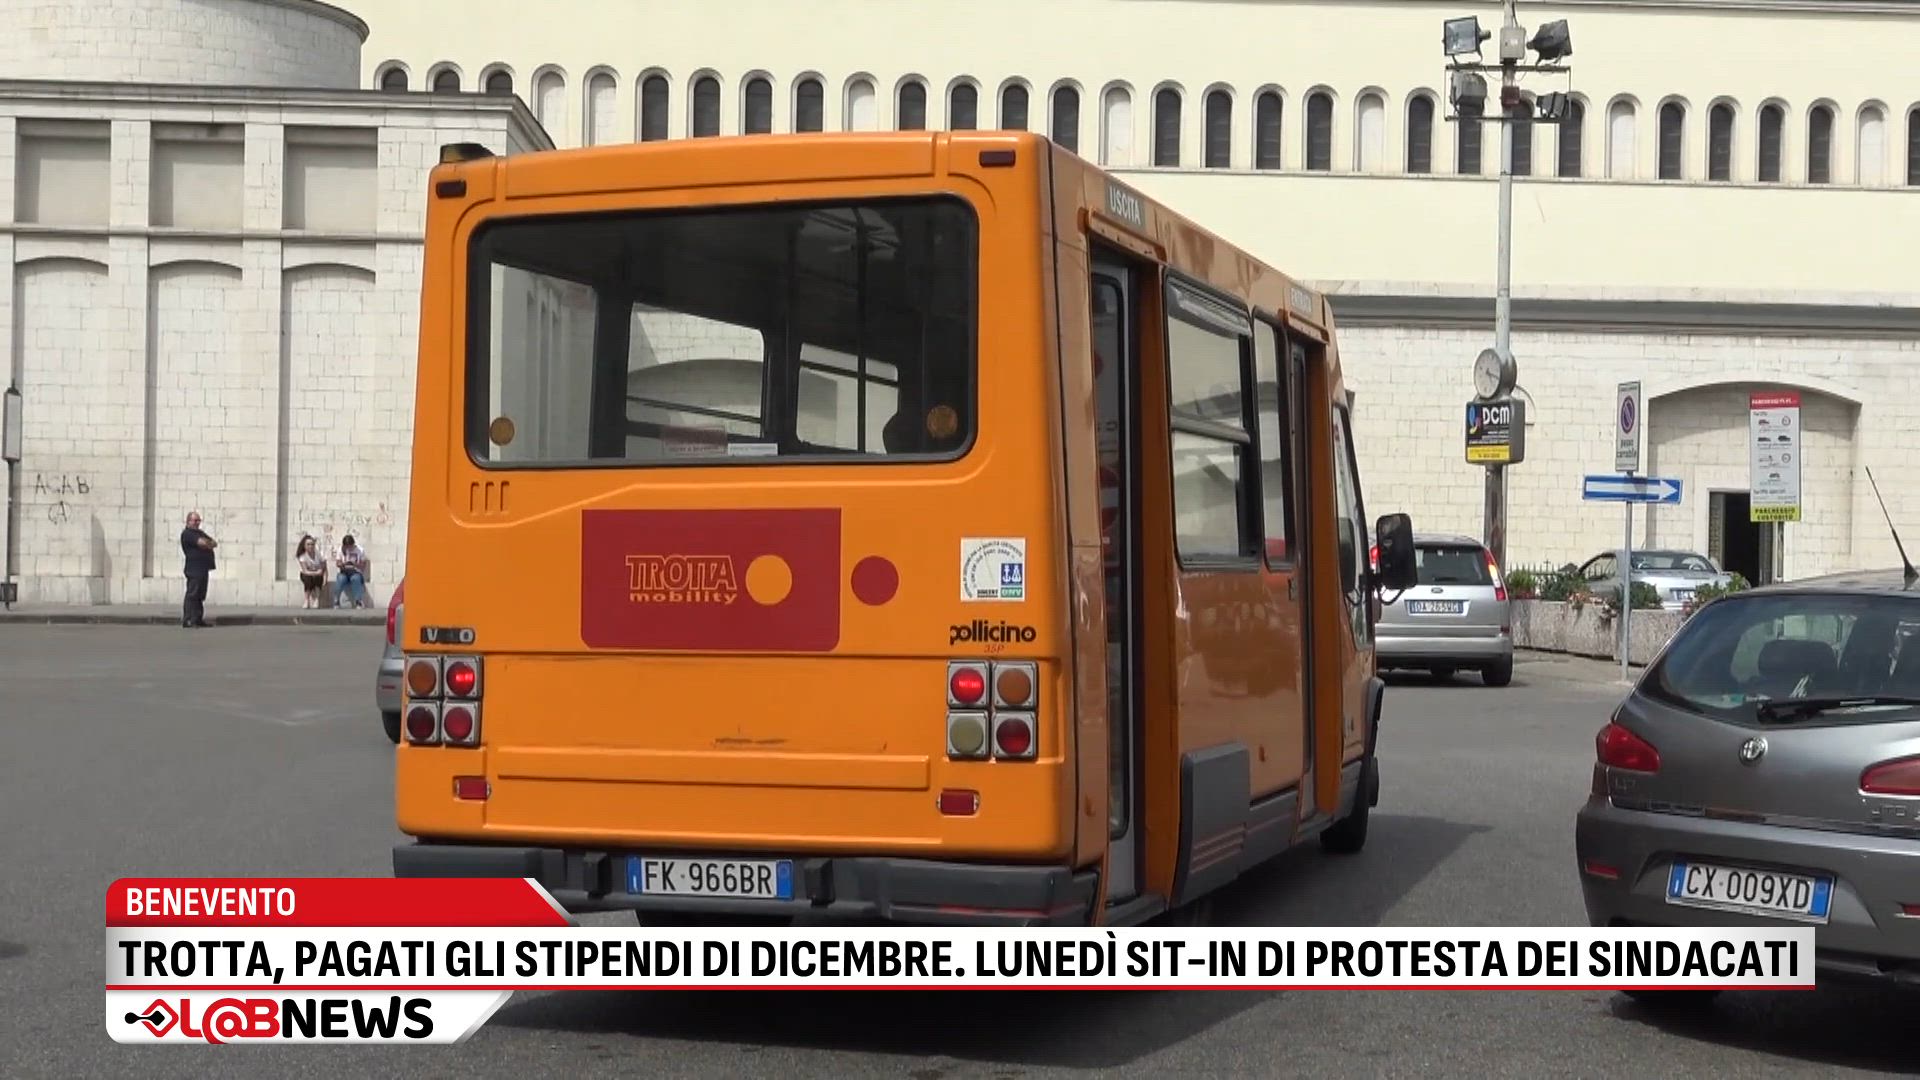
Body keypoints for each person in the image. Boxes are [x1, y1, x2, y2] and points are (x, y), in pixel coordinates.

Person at [180, 511, 218, 628]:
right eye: (195, 520)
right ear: (188, 521)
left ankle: (197, 619)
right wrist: (207, 544)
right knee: (192, 594)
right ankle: (188, 619)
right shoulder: (188, 534)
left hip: (202, 568)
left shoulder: (200, 533)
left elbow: (214, 543)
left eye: (198, 520)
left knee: (200, 595)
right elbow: (202, 543)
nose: (197, 523)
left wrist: (208, 543)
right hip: (194, 569)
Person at [333, 534, 370, 609]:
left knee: (355, 579)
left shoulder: (360, 550)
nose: (349, 548)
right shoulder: (341, 549)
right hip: (344, 572)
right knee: (340, 579)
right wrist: (343, 564)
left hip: (356, 572)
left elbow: (363, 565)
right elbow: (337, 563)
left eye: (350, 546)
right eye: (347, 547)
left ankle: (358, 601)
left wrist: (354, 564)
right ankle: (336, 600)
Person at [295, 535, 326, 609]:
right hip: (306, 574)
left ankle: (317, 600)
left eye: (312, 544)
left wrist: (325, 578)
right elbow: (305, 571)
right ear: (304, 546)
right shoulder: (302, 556)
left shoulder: (319, 554)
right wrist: (316, 573)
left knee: (318, 578)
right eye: (308, 544)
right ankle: (306, 600)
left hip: (317, 573)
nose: (310, 546)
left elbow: (324, 567)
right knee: (308, 579)